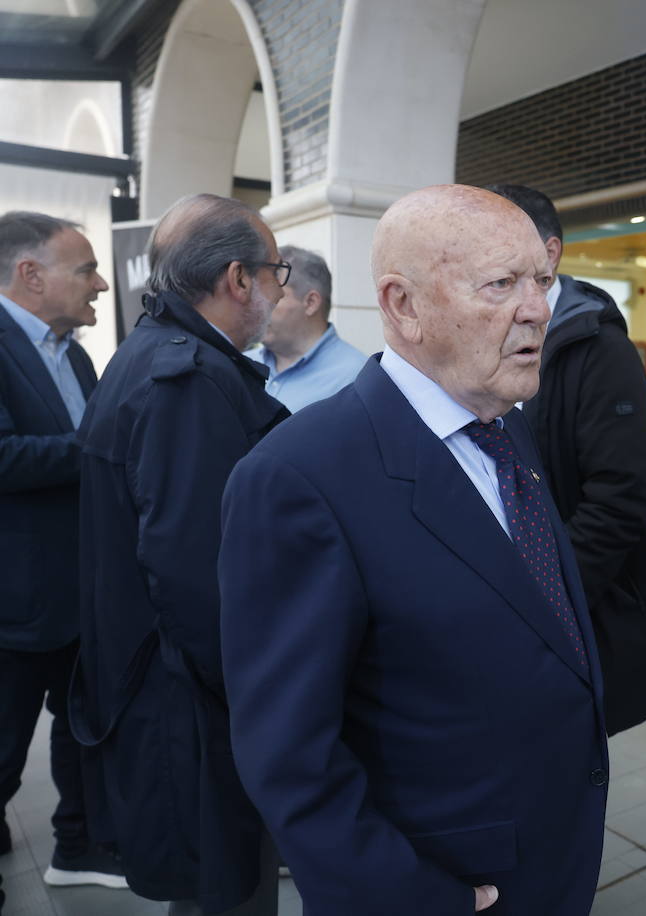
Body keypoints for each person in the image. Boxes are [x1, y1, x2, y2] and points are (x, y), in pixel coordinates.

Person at [219, 185, 608, 915]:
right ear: (403, 306)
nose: (537, 310)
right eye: (501, 284)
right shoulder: (298, 476)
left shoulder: (506, 426)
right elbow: (290, 758)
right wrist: (414, 897)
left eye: (543, 280)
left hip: (550, 858)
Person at [72, 193, 290, 915]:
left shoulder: (149, 354)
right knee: (225, 889)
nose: (279, 291)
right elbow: (199, 576)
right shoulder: (188, 379)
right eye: (276, 272)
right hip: (189, 706)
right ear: (238, 278)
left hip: (164, 691)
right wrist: (260, 699)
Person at [487, 183, 646, 736]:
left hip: (566, 615)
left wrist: (543, 594)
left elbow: (623, 497)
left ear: (549, 254)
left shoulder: (598, 348)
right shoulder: (485, 340)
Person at [0, 211, 125, 888]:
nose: (101, 284)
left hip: (79, 590)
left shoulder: (73, 351)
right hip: (14, 602)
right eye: (85, 270)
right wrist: (103, 448)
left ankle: (77, 848)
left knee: (81, 728)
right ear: (30, 274)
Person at [246, 244, 366, 411]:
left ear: (311, 302)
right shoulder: (243, 362)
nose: (258, 306)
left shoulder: (357, 379)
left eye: (272, 294)